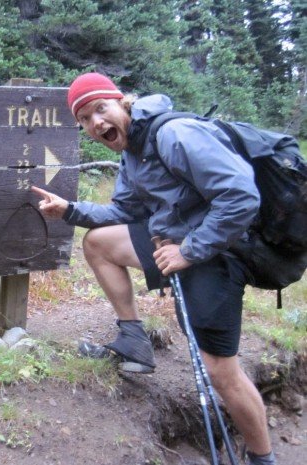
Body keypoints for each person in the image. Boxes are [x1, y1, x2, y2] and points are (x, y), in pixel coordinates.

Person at [31, 73, 276, 465]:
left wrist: (189, 251)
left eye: (100, 108)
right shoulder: (132, 151)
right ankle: (133, 340)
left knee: (220, 371)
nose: (95, 122)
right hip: (174, 242)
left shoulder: (175, 135)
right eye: (85, 119)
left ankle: (262, 457)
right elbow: (124, 211)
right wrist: (70, 210)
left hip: (220, 251)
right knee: (98, 243)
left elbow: (241, 196)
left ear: (122, 102)